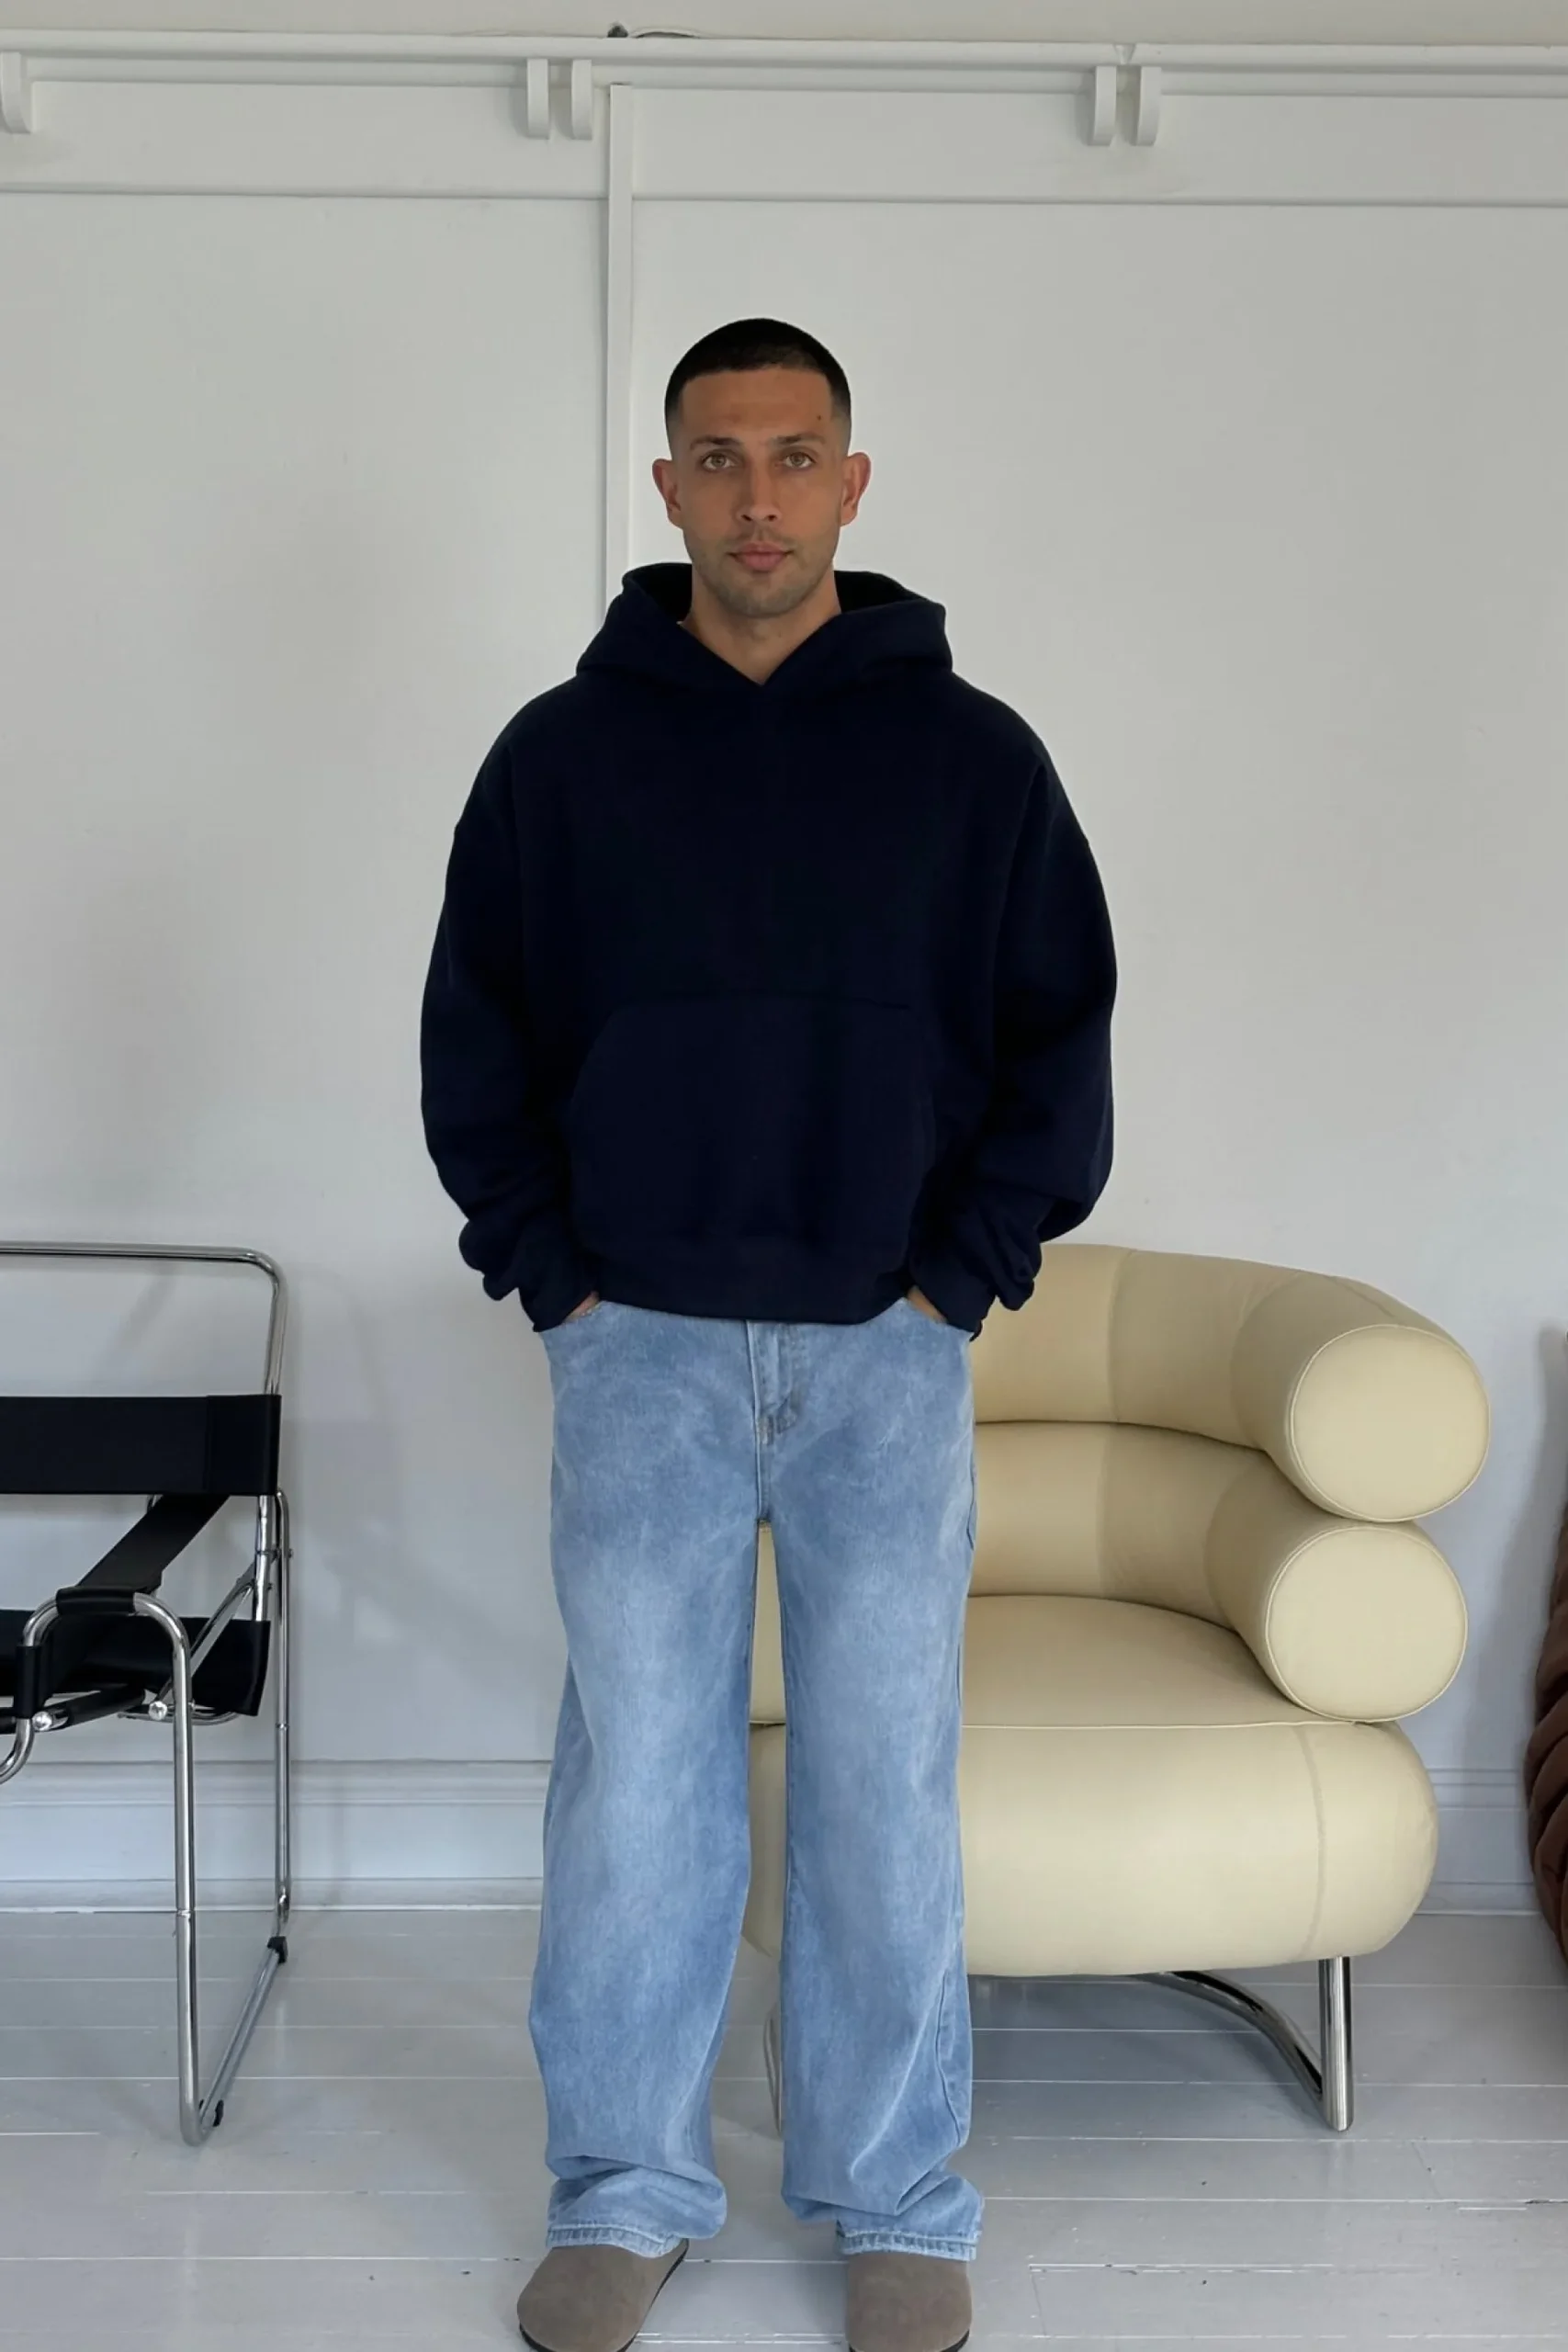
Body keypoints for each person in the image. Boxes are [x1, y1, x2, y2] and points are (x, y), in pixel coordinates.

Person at [420, 317, 1117, 2352]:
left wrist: (956, 1274)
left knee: (880, 1788)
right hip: (635, 1344)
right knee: (637, 1789)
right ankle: (622, 2189)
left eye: (793, 455)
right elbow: (476, 1034)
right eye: (716, 459)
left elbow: (1059, 1041)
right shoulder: (559, 756)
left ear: (851, 482)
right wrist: (553, 1275)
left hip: (884, 1356)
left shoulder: (973, 757)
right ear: (665, 489)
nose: (755, 496)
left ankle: (894, 2197)